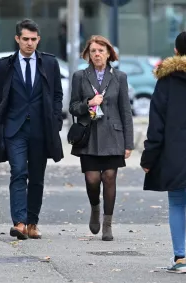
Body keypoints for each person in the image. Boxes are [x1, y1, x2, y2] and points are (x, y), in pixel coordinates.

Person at [141, 31, 186, 275]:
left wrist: (149, 157)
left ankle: (180, 260)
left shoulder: (166, 81)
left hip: (174, 150)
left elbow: (156, 124)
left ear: (175, 51)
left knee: (176, 201)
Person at [0, 19, 64, 240]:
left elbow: (57, 95)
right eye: (25, 39)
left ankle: (32, 222)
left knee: (37, 177)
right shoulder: (6, 65)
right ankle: (19, 222)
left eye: (33, 39)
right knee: (18, 172)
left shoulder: (49, 63)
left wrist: (56, 120)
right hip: (14, 129)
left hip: (41, 129)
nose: (30, 43)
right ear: (17, 39)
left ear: (38, 39)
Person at [69, 35, 134, 241]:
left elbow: (126, 111)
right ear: (88, 54)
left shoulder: (119, 77)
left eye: (101, 50)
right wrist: (89, 102)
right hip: (89, 135)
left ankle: (107, 223)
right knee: (92, 179)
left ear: (109, 54)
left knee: (109, 177)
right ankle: (95, 207)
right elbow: (72, 107)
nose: (97, 54)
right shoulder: (80, 76)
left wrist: (129, 142)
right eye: (93, 51)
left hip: (113, 136)